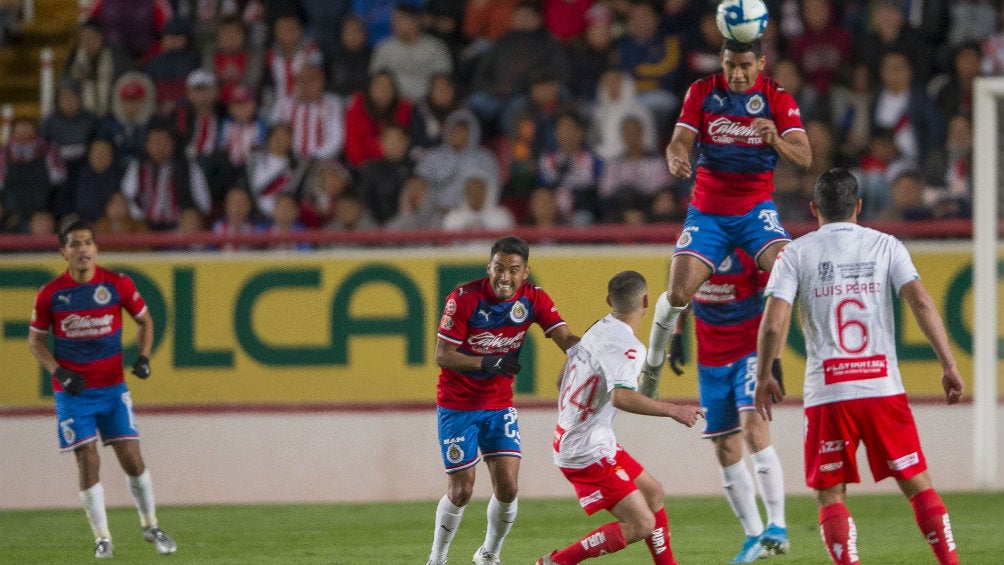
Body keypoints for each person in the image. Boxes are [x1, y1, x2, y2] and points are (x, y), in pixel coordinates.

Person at [754, 168, 964, 565]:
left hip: (828, 393)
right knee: (917, 483)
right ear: (859, 206)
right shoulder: (886, 245)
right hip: (882, 388)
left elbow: (773, 323)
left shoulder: (796, 253)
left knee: (830, 494)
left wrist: (766, 374)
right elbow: (920, 301)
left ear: (814, 207)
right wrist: (948, 364)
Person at [641, 38, 812, 396]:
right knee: (677, 293)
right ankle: (652, 365)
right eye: (730, 64)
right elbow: (679, 140)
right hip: (708, 213)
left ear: (761, 63)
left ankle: (775, 360)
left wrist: (776, 141)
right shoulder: (702, 91)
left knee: (793, 269)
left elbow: (805, 158)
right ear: (721, 60)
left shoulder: (778, 97)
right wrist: (676, 156)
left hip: (754, 210)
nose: (736, 73)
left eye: (744, 65)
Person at [26, 221, 177, 559]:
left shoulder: (118, 284)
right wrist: (59, 372)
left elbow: (145, 320)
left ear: (96, 249)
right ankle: (102, 537)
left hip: (112, 388)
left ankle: (151, 525)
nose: (82, 249)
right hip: (73, 393)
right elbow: (35, 341)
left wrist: (144, 357)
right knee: (88, 459)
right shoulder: (51, 294)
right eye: (75, 244)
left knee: (132, 458)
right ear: (63, 252)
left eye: (87, 243)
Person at [425, 235, 579, 565]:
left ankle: (488, 555)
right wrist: (487, 362)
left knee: (508, 487)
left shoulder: (534, 298)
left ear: (525, 272)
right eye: (498, 268)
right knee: (461, 491)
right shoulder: (464, 298)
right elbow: (443, 354)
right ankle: (437, 558)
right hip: (458, 406)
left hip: (498, 404)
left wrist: (596, 347)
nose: (504, 277)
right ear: (489, 267)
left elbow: (565, 339)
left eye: (513, 269)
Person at [537, 270, 703, 565]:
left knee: (653, 493)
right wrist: (674, 410)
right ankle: (555, 562)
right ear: (647, 301)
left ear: (608, 301)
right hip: (586, 450)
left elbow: (562, 378)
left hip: (585, 438)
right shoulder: (630, 347)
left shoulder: (597, 328)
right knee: (641, 524)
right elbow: (621, 397)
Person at [658, 249, 788, 563]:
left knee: (753, 427)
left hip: (750, 352)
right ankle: (755, 536)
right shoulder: (693, 245)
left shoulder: (752, 249)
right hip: (711, 359)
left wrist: (775, 359)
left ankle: (778, 526)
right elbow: (680, 291)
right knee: (724, 448)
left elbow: (781, 301)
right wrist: (678, 335)